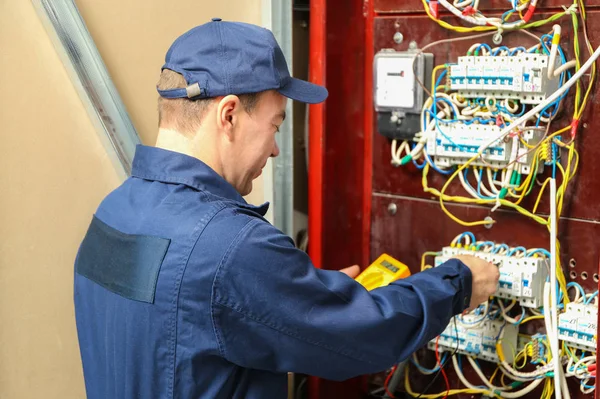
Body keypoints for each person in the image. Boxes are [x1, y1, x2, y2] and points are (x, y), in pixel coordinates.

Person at [73, 18, 499, 399]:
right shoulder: (229, 246)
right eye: (275, 124)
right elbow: (368, 335)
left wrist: (293, 299)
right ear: (229, 116)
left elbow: (189, 325)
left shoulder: (113, 214)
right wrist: (458, 283)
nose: (277, 149)